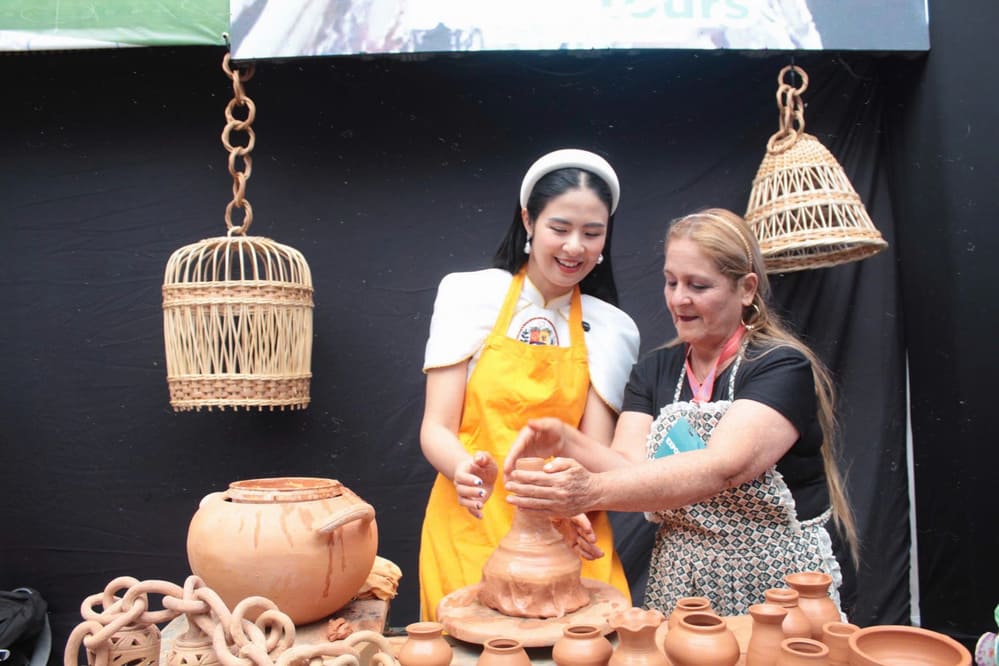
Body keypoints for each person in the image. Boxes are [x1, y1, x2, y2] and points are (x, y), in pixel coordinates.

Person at [503, 207, 859, 617]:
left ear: (746, 289)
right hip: (681, 575)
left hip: (778, 578)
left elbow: (724, 466)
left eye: (698, 285)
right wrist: (567, 439)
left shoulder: (780, 366)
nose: (679, 299)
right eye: (671, 282)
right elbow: (628, 468)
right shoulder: (655, 371)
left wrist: (589, 492)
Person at [417, 149, 640, 621]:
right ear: (528, 221)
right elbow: (436, 427)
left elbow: (593, 454)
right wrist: (464, 470)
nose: (575, 247)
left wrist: (576, 503)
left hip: (568, 531)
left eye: (593, 233)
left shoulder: (614, 328)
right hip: (471, 523)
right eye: (560, 228)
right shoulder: (468, 295)